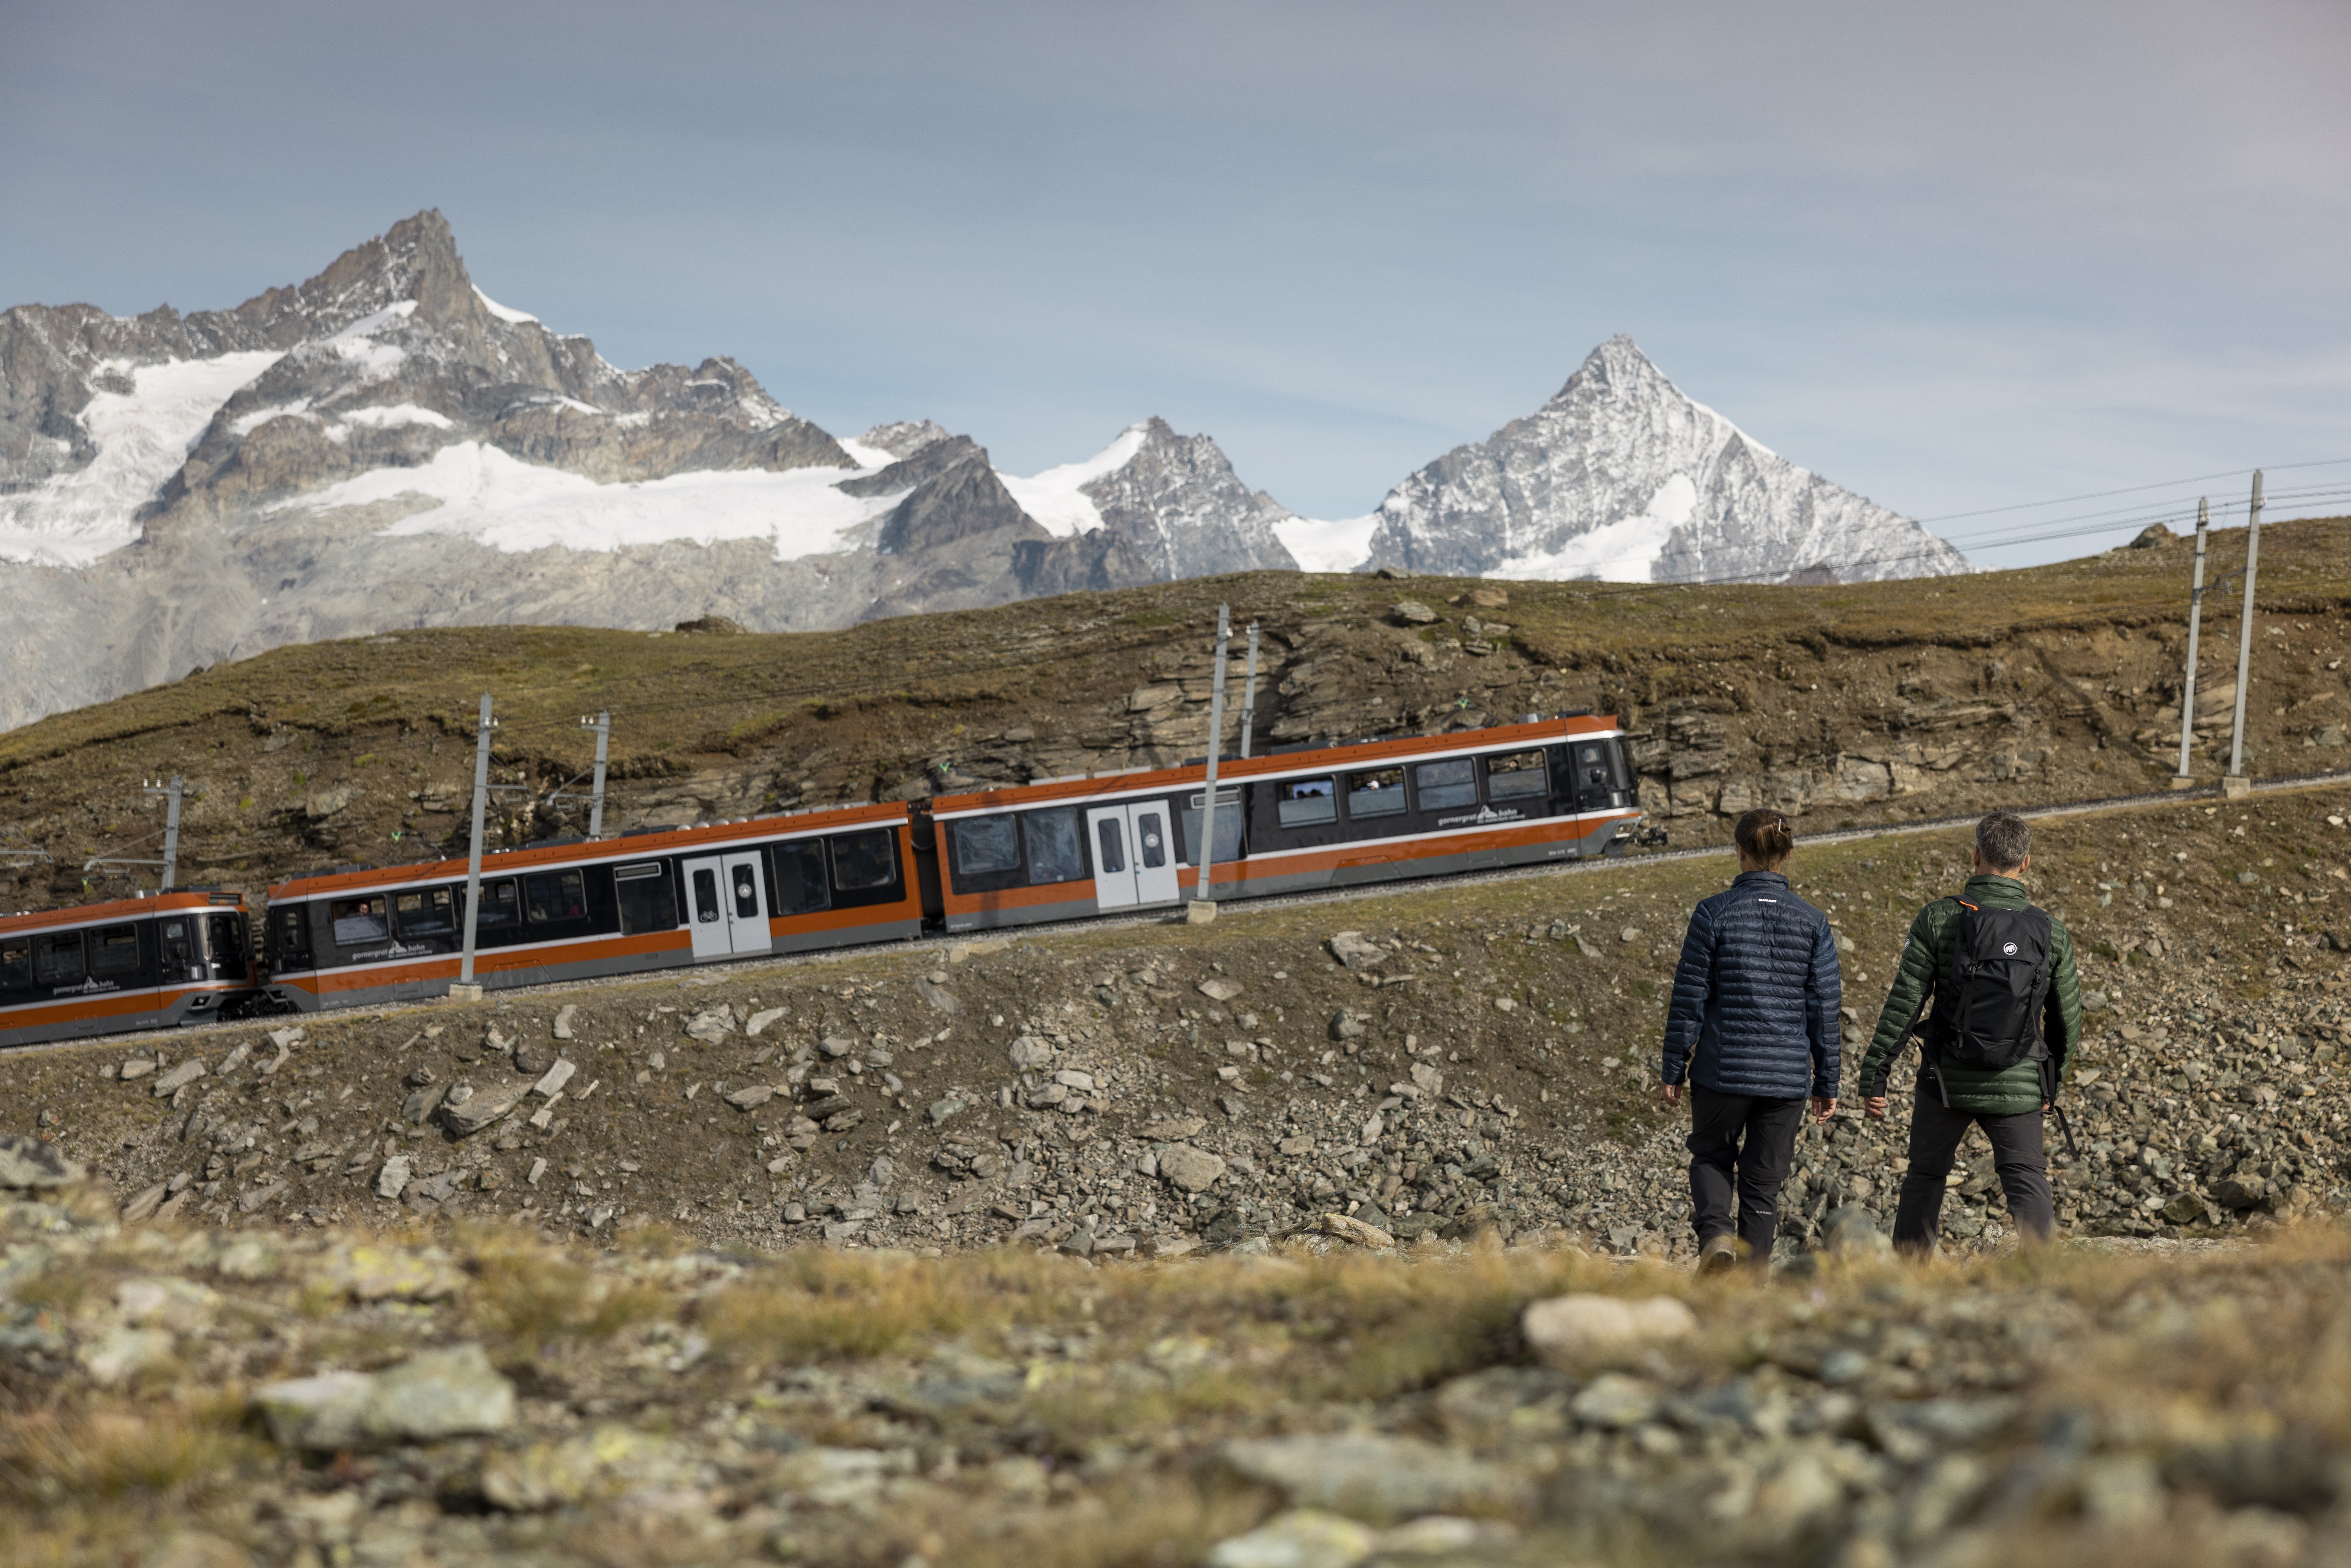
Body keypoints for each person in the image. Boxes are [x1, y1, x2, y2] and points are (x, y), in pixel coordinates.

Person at [1859, 811, 2082, 1253]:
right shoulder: (2051, 932)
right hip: (2017, 1082)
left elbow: (1905, 1003)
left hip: (1946, 1079)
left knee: (1925, 1177)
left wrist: (1876, 1073)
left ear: (1976, 854)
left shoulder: (1939, 918)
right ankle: (2043, 1279)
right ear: (2026, 863)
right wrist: (2050, 1083)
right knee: (2025, 1179)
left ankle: (1909, 1286)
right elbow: (2066, 1021)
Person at [1660, 808, 1842, 1272]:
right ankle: (1752, 1285)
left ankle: (1717, 1236)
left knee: (1711, 1156)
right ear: (1787, 855)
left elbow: (1689, 998)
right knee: (1763, 1184)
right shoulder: (1813, 921)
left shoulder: (1712, 913)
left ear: (1738, 851)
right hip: (1785, 1079)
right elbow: (1823, 1007)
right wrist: (1828, 1081)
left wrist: (1673, 1068)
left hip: (1722, 1071)